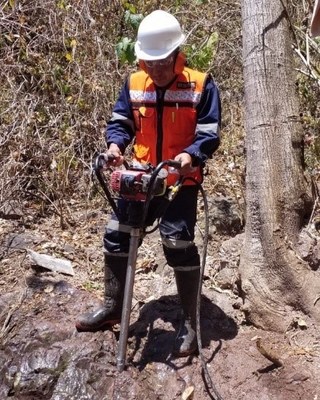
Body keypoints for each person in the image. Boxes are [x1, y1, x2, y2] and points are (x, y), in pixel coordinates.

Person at [76, 9, 221, 357]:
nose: (154, 70)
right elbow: (121, 121)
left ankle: (189, 321)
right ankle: (114, 306)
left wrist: (191, 155)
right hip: (141, 176)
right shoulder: (134, 83)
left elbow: (209, 133)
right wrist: (115, 146)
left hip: (178, 180)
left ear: (176, 55)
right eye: (148, 62)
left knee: (177, 242)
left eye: (161, 62)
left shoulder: (201, 85)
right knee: (116, 234)